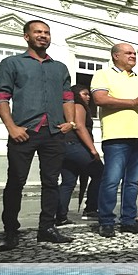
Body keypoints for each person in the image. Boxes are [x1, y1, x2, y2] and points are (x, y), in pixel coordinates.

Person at [0, 20, 75, 251]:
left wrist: (71, 123)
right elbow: (0, 96)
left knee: (51, 182)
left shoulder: (59, 68)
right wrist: (11, 127)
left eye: (47, 33)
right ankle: (10, 231)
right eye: (38, 32)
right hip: (24, 131)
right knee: (16, 181)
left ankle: (46, 228)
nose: (43, 36)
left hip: (54, 131)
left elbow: (68, 97)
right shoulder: (12, 63)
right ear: (26, 36)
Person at [91, 43, 138, 237]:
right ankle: (106, 221)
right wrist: (133, 102)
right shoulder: (103, 74)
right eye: (128, 53)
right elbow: (100, 100)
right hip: (116, 135)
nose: (133, 56)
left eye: (134, 53)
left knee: (133, 182)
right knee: (111, 180)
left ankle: (128, 220)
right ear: (115, 56)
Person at [56, 84, 103, 225]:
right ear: (76, 94)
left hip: (64, 147)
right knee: (100, 172)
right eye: (85, 94)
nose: (88, 97)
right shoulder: (78, 106)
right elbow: (80, 127)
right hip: (75, 145)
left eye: (89, 94)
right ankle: (91, 208)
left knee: (68, 181)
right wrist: (93, 150)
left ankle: (60, 216)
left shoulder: (67, 106)